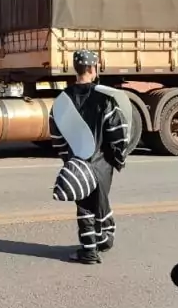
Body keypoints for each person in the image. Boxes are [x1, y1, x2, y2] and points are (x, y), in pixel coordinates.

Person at [49, 50, 128, 265]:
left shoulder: (62, 100)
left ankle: (90, 248)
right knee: (100, 201)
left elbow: (57, 136)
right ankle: (101, 241)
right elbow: (117, 132)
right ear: (93, 69)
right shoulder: (105, 98)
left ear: (76, 69)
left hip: (77, 161)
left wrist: (67, 158)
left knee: (84, 206)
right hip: (103, 163)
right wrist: (118, 158)